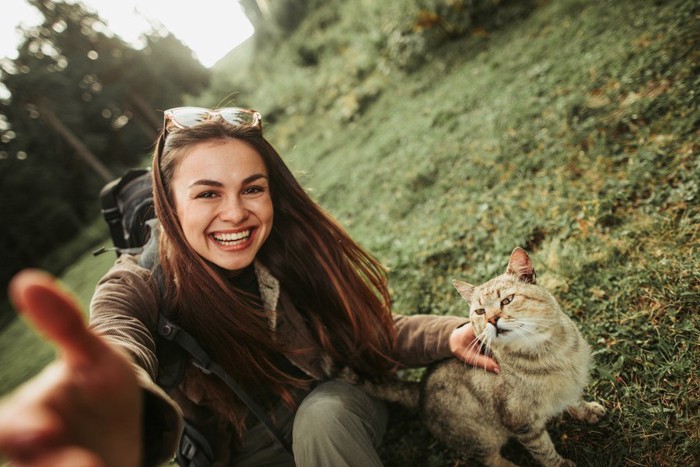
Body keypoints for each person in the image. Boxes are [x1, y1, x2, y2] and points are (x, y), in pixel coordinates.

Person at [0, 107, 499, 467]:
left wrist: (449, 334)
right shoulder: (137, 284)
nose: (236, 213)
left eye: (252, 188)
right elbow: (116, 334)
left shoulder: (285, 248)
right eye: (208, 194)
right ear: (169, 206)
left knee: (322, 416)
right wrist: (109, 393)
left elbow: (365, 333)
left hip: (334, 415)